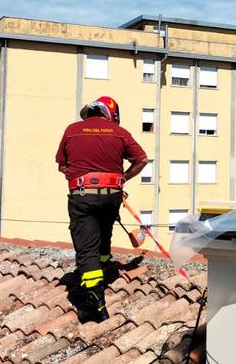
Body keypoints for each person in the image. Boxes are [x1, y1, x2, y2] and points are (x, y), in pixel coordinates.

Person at [56, 96, 148, 323]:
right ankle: (104, 265)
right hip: (112, 196)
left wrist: (79, 176)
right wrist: (122, 178)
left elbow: (62, 165)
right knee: (104, 231)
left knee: (87, 247)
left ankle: (95, 303)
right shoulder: (119, 132)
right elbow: (142, 159)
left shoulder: (72, 130)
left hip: (83, 194)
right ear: (111, 114)